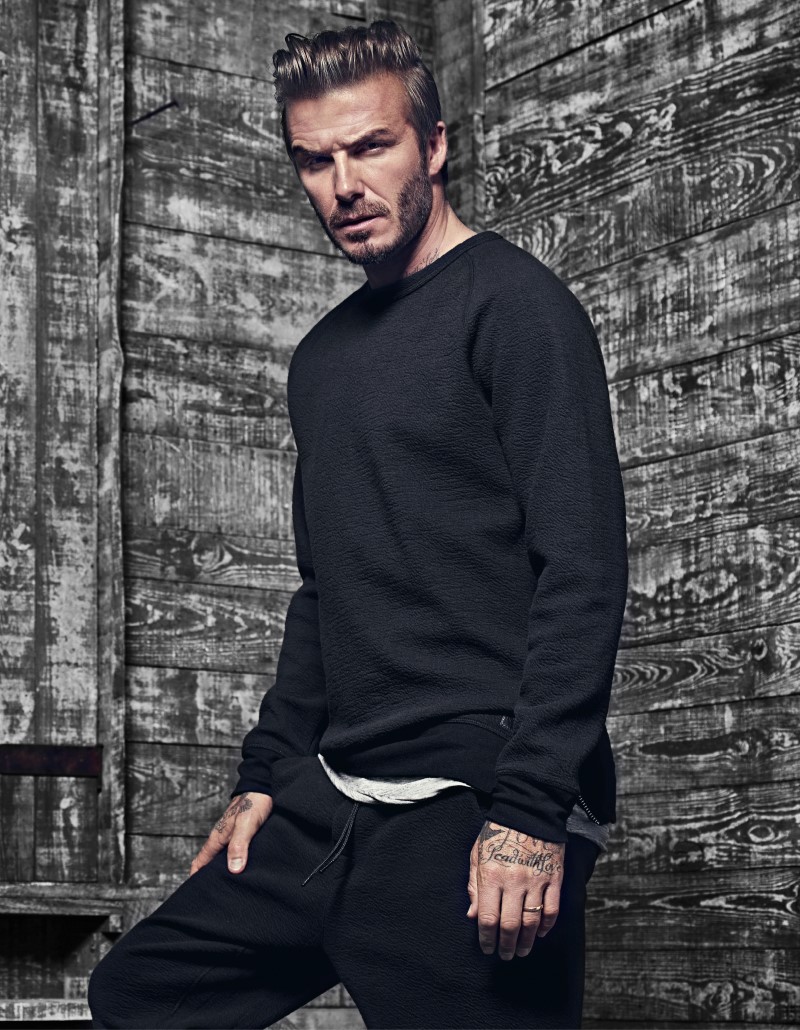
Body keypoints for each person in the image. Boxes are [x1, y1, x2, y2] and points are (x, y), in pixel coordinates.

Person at [88, 18, 628, 1030]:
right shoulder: (323, 359)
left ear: (434, 144)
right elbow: (325, 589)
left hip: (473, 802)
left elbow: (583, 570)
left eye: (370, 147)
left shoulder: (516, 307)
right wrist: (264, 777)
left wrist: (529, 809)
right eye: (314, 159)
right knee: (136, 995)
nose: (342, 184)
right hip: (332, 798)